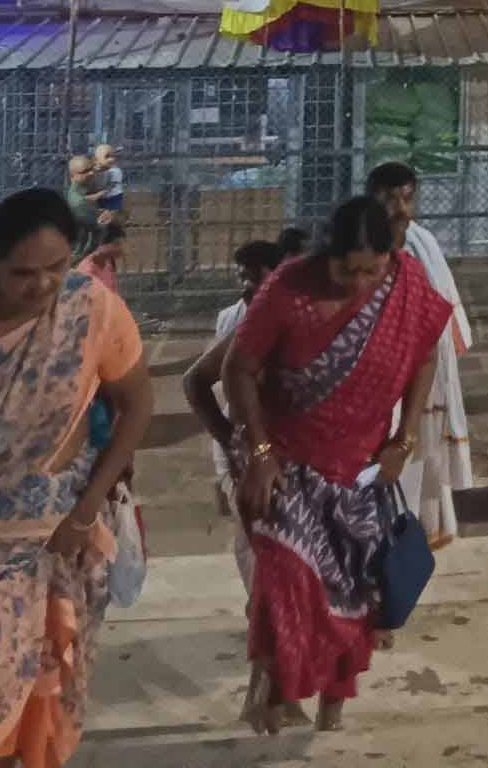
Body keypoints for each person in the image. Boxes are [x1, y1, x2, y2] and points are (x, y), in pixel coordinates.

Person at [222, 196, 452, 735]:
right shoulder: (288, 289)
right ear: (327, 255)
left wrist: (406, 434)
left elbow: (426, 354)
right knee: (288, 578)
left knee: (353, 594)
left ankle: (332, 704)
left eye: (373, 270)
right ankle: (275, 692)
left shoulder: (406, 284)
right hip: (286, 462)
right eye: (348, 270)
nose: (361, 284)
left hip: (360, 468)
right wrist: (257, 454)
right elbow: (237, 369)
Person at [0, 187, 154, 768]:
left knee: (42, 699)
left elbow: (137, 404)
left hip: (58, 542)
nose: (41, 286)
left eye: (57, 268)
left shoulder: (90, 309)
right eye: (22, 273)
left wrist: (84, 511)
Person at [367, 161, 473, 548]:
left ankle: (426, 531)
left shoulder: (421, 241)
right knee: (396, 456)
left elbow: (442, 300)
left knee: (423, 451)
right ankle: (399, 539)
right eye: (391, 198)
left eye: (407, 197)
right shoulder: (365, 248)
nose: (401, 207)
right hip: (384, 371)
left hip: (427, 365)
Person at [183, 240, 284, 523]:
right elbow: (195, 381)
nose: (248, 288)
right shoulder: (239, 321)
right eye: (244, 278)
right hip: (250, 452)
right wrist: (235, 445)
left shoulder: (298, 319)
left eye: (256, 279)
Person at [78, 221, 127, 295]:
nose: (121, 249)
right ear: (101, 244)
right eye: (116, 244)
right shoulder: (87, 270)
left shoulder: (108, 264)